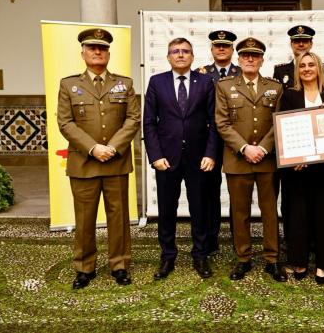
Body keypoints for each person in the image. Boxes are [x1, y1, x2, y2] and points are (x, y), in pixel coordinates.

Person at [57, 28, 140, 289]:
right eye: (92, 48)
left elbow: (133, 119)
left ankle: (119, 264)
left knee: (119, 217)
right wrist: (93, 148)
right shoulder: (69, 84)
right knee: (84, 218)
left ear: (108, 53)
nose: (97, 52)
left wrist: (112, 147)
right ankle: (84, 267)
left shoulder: (124, 83)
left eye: (102, 48)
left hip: (115, 162)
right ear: (82, 52)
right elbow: (65, 122)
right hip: (84, 162)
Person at [143, 37, 218, 280]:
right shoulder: (157, 82)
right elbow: (149, 123)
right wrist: (155, 156)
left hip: (199, 159)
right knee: (167, 210)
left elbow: (214, 122)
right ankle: (167, 257)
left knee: (200, 209)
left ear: (193, 56)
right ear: (168, 57)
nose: (180, 55)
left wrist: (210, 153)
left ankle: (200, 255)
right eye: (175, 51)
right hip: (166, 159)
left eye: (185, 51)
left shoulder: (206, 81)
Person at [215, 37, 287, 282]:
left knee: (269, 211)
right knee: (240, 212)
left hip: (267, 160)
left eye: (254, 56)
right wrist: (245, 148)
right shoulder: (224, 87)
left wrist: (263, 149)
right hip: (238, 160)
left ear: (261, 60)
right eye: (245, 55)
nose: (249, 59)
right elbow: (222, 124)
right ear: (238, 59)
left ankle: (272, 259)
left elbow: (279, 121)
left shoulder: (275, 87)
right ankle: (243, 258)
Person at [278, 52, 324, 285]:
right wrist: (293, 157)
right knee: (298, 216)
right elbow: (283, 130)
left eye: (311, 65)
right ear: (297, 70)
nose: (306, 69)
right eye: (302, 66)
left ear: (319, 68)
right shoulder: (289, 95)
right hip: (298, 169)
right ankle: (299, 260)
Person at [196, 30, 241, 255]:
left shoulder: (243, 72)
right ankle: (210, 239)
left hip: (236, 140)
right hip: (209, 141)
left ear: (232, 50)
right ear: (212, 49)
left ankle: (238, 238)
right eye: (217, 46)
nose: (221, 49)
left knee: (238, 193)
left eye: (226, 46)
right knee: (208, 192)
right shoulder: (200, 74)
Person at [272, 25, 324, 90]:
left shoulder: (323, 69)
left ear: (311, 44)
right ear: (291, 44)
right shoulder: (280, 71)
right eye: (297, 41)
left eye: (305, 41)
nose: (301, 44)